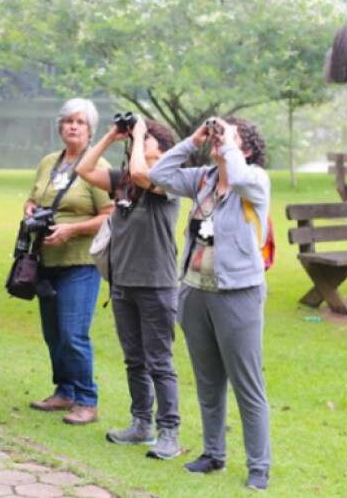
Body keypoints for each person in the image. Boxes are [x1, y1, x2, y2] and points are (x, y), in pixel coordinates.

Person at [148, 116, 272, 491]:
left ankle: (258, 466)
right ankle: (213, 453)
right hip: (196, 290)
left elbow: (236, 173)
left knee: (247, 383)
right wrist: (193, 139)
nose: (219, 141)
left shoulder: (254, 180)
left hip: (239, 294)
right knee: (208, 381)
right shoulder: (203, 178)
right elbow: (158, 173)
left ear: (245, 149)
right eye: (218, 137)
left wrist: (229, 146)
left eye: (229, 138)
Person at [76, 117, 182, 458]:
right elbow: (84, 169)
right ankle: (141, 425)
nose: (140, 141)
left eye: (149, 139)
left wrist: (137, 134)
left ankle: (169, 432)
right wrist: (110, 136)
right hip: (122, 283)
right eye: (140, 138)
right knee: (134, 360)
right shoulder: (122, 181)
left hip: (156, 285)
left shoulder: (169, 180)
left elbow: (140, 174)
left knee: (159, 362)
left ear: (163, 150)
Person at [24, 98, 113, 426]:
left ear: (91, 131)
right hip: (45, 261)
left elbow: (110, 215)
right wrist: (30, 208)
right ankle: (65, 391)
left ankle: (87, 399)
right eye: (67, 121)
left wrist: (72, 229)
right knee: (53, 333)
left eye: (80, 122)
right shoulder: (49, 161)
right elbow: (34, 197)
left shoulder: (99, 169)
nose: (72, 126)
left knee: (74, 333)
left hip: (80, 263)